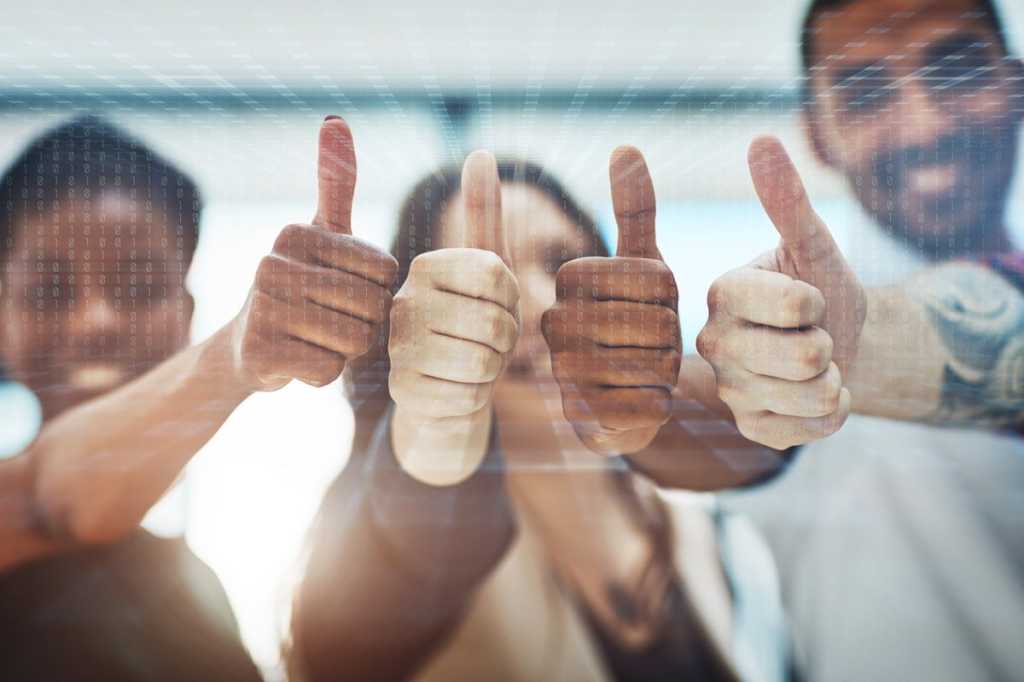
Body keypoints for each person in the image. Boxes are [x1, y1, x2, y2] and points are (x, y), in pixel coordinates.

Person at [289, 151, 786, 682]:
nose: (538, 304)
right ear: (412, 331)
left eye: (560, 261)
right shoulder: (420, 545)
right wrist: (436, 420)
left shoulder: (717, 539)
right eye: (487, 278)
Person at [0, 114, 397, 679]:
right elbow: (49, 500)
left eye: (138, 287)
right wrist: (237, 352)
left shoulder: (192, 582)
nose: (96, 322)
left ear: (184, 316)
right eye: (49, 291)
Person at [696, 0, 1024, 679]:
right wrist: (625, 377)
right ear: (818, 135)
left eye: (956, 72)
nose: (923, 126)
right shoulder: (769, 332)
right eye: (866, 93)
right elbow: (687, 415)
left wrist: (857, 348)